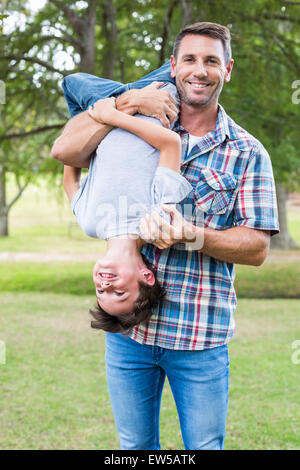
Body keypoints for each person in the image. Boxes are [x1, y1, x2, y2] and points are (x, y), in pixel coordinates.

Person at [52, 22, 279, 450]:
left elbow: (257, 248)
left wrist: (190, 234)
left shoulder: (247, 152)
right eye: (190, 59)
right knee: (134, 448)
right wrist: (127, 102)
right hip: (129, 338)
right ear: (173, 66)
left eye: (212, 61)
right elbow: (67, 149)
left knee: (204, 447)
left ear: (227, 70)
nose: (201, 70)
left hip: (199, 340)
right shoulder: (135, 121)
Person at [54, 84, 192, 332]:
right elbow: (171, 144)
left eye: (100, 291)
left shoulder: (89, 222)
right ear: (146, 276)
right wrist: (116, 114)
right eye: (118, 293)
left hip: (102, 102)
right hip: (155, 93)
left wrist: (95, 119)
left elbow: (69, 174)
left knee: (71, 82)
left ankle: (120, 99)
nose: (105, 286)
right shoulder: (156, 221)